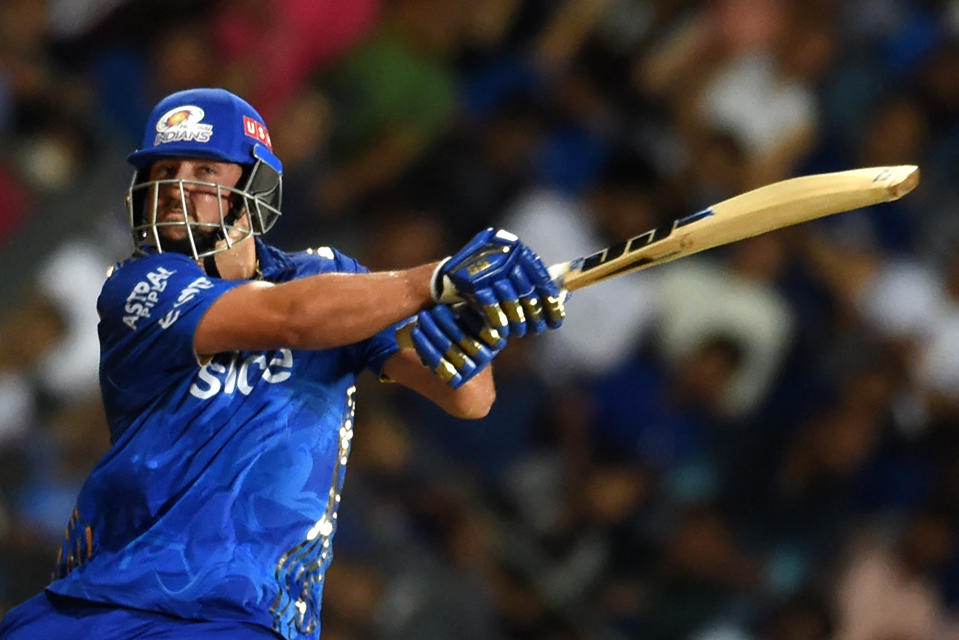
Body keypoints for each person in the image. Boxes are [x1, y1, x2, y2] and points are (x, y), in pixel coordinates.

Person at [0, 88, 565, 640]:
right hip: (95, 595)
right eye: (161, 170)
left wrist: (473, 332)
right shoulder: (137, 287)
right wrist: (435, 279)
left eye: (200, 172)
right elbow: (289, 318)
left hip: (240, 614)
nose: (172, 187)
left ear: (252, 186)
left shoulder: (327, 278)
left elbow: (467, 398)